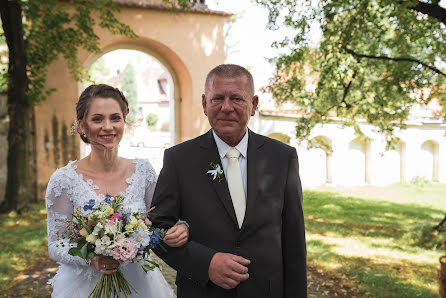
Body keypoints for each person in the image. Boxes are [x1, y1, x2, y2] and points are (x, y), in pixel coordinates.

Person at [151, 64, 307, 297]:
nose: (226, 107)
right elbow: (157, 231)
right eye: (217, 99)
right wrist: (206, 263)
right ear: (204, 104)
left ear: (253, 105)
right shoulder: (179, 159)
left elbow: (294, 242)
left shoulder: (282, 157)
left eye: (237, 98)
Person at [45, 84, 188, 298]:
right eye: (97, 119)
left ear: (124, 122)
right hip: (84, 287)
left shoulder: (144, 172)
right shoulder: (64, 180)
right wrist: (92, 258)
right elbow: (57, 244)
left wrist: (181, 227)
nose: (108, 126)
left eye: (115, 118)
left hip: (140, 284)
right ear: (82, 126)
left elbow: (162, 220)